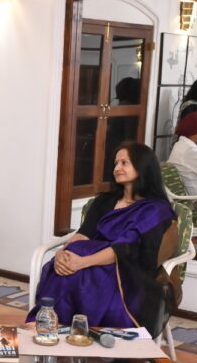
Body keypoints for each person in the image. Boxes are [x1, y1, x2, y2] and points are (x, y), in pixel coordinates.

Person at [27, 142, 176, 336]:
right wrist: (63, 255)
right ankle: (59, 328)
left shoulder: (154, 209)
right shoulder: (105, 201)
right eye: (115, 163)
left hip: (126, 270)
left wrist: (82, 262)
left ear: (142, 166)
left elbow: (125, 249)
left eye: (124, 163)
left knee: (80, 270)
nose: (117, 168)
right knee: (71, 257)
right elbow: (83, 234)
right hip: (90, 262)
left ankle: (62, 327)